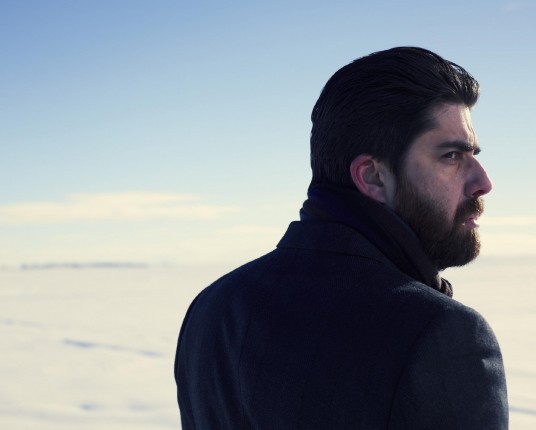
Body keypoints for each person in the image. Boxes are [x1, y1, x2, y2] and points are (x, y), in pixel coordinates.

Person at [174, 47, 508, 429]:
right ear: (372, 176)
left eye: (473, 155)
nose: (483, 182)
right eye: (451, 156)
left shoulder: (212, 307)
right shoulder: (439, 334)